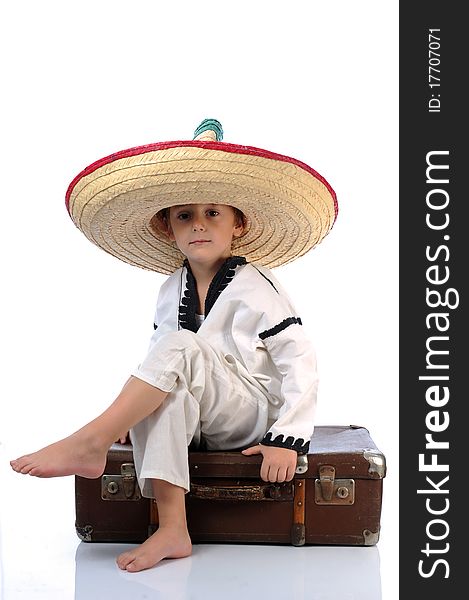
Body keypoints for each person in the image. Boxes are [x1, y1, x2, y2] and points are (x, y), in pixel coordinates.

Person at [10, 118, 338, 573]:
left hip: (250, 415)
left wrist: (288, 440)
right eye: (185, 215)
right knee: (168, 390)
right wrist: (134, 412)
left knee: (182, 345)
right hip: (202, 413)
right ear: (168, 228)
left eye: (213, 213)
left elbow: (300, 359)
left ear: (238, 224)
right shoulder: (170, 288)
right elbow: (159, 361)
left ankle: (91, 440)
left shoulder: (257, 286)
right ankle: (172, 528)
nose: (198, 225)